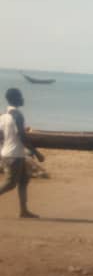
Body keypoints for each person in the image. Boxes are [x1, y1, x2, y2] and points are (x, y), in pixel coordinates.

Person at [0, 88, 44, 218]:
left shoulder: (4, 116)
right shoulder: (17, 115)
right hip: (15, 155)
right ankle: (23, 211)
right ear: (15, 99)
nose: (23, 98)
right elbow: (22, 136)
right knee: (10, 184)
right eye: (20, 96)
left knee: (24, 180)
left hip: (9, 153)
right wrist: (36, 152)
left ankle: (24, 211)